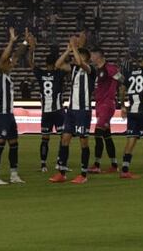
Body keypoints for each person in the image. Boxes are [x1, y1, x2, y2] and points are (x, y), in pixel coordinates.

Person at [49, 35, 97, 184]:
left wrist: (75, 48)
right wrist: (68, 50)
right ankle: (61, 172)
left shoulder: (90, 69)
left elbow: (82, 63)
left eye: (79, 56)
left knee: (83, 141)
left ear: (85, 58)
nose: (76, 59)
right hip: (71, 110)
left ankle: (83, 174)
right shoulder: (74, 69)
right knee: (65, 139)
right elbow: (57, 64)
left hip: (83, 110)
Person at [0, 29, 26, 186]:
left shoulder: (7, 75)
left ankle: (13, 174)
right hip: (1, 115)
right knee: (0, 144)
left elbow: (16, 56)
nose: (11, 62)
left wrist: (24, 43)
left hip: (9, 115)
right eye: (7, 61)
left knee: (14, 145)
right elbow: (6, 57)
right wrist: (11, 41)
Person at [28, 32, 66, 173]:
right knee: (63, 137)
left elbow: (30, 63)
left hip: (46, 112)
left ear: (45, 64)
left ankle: (43, 164)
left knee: (45, 139)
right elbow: (64, 67)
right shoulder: (59, 73)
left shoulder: (41, 74)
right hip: (58, 111)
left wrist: (32, 48)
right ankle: (59, 161)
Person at [89, 48, 121, 174]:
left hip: (107, 105)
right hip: (100, 104)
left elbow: (121, 78)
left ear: (98, 55)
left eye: (92, 54)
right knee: (106, 135)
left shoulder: (109, 68)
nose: (91, 57)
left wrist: (116, 95)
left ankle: (97, 165)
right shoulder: (98, 70)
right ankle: (114, 165)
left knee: (97, 134)